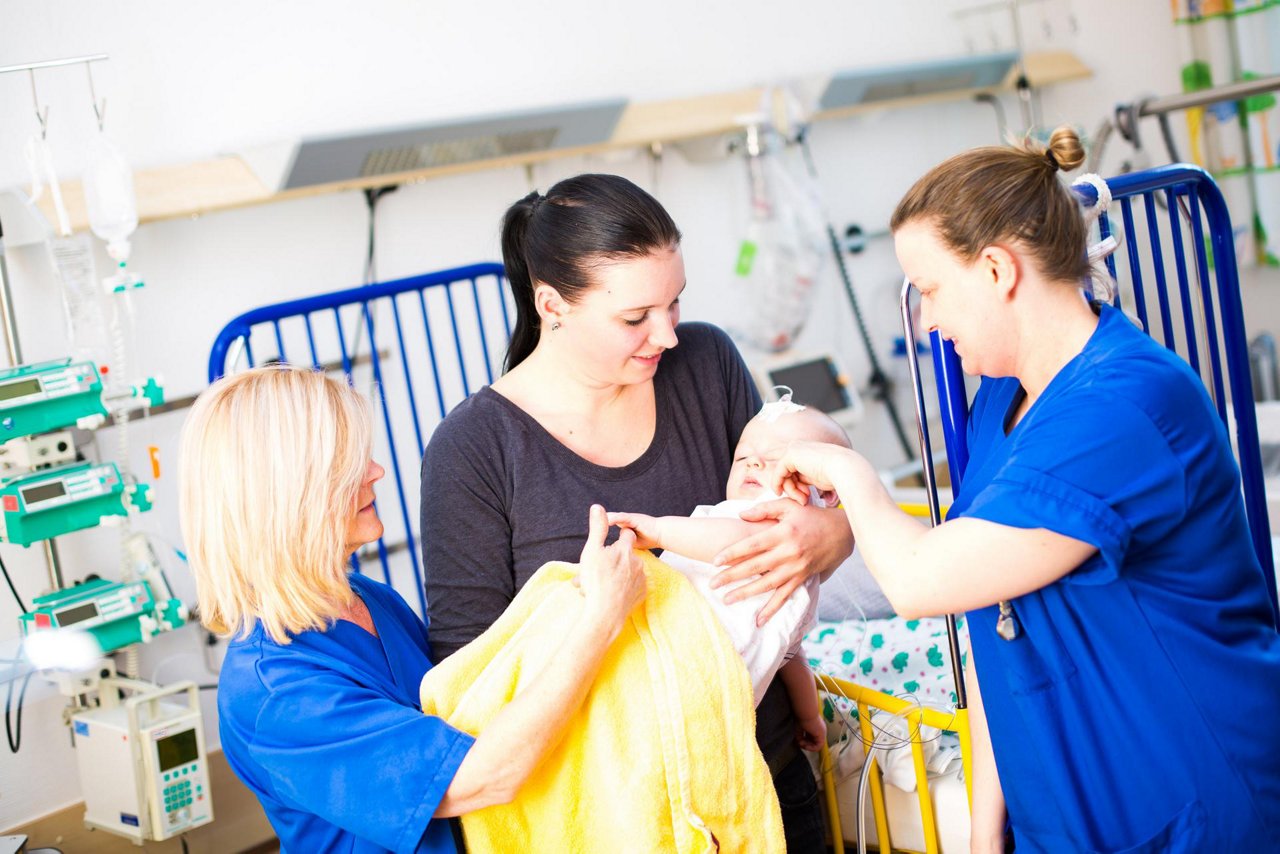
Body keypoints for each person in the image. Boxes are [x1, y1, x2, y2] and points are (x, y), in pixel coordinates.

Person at [756, 127, 1280, 852]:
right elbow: (991, 619)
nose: (928, 320)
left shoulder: (1122, 407)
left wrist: (843, 468)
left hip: (1184, 791)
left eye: (933, 291)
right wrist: (984, 829)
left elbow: (920, 580)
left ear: (999, 269)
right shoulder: (1003, 400)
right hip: (1061, 809)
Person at [421, 173, 852, 850]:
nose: (669, 336)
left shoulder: (707, 364)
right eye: (635, 319)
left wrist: (834, 534)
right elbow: (474, 681)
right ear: (551, 304)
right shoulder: (475, 450)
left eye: (675, 304)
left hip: (758, 779)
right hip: (613, 817)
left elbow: (796, 498)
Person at [179, 365, 646, 853]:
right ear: (290, 493)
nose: (376, 471)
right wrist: (600, 619)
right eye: (347, 463)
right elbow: (484, 777)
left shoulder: (365, 599)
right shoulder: (275, 694)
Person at [610, 398, 874, 752]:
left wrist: (659, 531)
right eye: (743, 456)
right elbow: (791, 659)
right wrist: (809, 715)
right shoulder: (801, 577)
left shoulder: (758, 523)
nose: (753, 462)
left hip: (682, 672)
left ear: (825, 492)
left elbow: (733, 541)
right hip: (713, 703)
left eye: (777, 460)